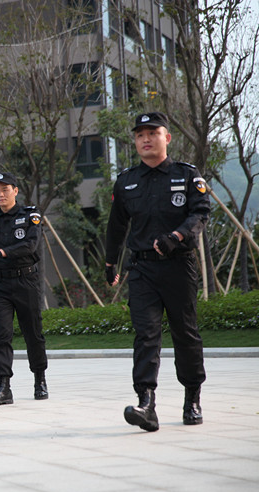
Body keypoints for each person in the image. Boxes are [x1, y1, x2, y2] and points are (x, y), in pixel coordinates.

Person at [105, 111, 209, 432]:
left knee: (185, 333)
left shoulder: (187, 175)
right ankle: (146, 404)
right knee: (146, 335)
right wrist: (110, 263)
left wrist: (176, 237)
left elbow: (200, 213)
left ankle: (192, 398)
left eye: (152, 133)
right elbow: (116, 226)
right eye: (140, 135)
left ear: (167, 138)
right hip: (142, 269)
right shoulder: (126, 181)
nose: (146, 139)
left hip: (179, 266)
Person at [0, 172, 48, 404]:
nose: (0, 194)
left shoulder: (30, 215)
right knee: (1, 334)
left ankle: (39, 379)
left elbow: (31, 245)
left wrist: (2, 252)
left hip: (26, 280)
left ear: (15, 191)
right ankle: (4, 386)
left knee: (33, 333)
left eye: (5, 190)